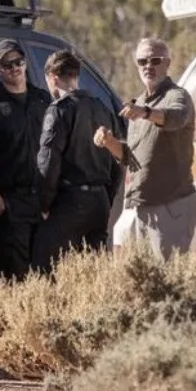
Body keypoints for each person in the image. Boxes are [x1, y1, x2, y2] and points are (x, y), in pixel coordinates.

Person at [93, 36, 196, 258]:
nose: (148, 66)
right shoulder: (139, 102)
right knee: (132, 271)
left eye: (155, 60)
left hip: (170, 205)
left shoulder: (177, 96)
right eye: (142, 61)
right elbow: (131, 157)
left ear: (167, 63)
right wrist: (110, 142)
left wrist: (146, 113)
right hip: (138, 206)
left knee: (166, 274)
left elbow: (176, 117)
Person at [0, 38, 53, 281]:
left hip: (45, 200)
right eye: (7, 64)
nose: (14, 68)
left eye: (18, 62)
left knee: (48, 269)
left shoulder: (43, 101)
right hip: (12, 201)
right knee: (18, 271)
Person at [33, 50, 125, 270]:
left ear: (53, 77)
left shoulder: (59, 110)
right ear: (76, 75)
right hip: (100, 202)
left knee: (45, 265)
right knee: (93, 271)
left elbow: (48, 162)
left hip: (71, 202)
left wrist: (44, 204)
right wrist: (106, 198)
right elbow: (116, 163)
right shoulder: (102, 108)